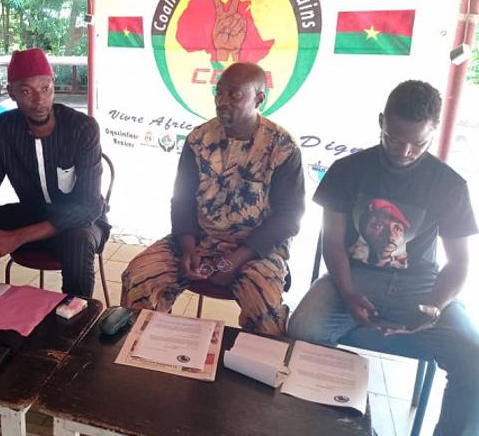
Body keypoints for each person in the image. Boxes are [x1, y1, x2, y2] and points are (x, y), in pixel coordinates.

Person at [288, 80, 479, 436]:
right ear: (381, 121)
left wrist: (433, 306)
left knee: (474, 358)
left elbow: (460, 264)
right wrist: (348, 293)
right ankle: (329, 425)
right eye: (394, 139)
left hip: (420, 287)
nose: (404, 151)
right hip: (352, 276)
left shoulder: (449, 184)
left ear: (434, 131)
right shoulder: (347, 170)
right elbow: (333, 243)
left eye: (418, 143)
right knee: (302, 330)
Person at [121, 62, 305, 335]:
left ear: (259, 98)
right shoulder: (198, 139)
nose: (222, 101)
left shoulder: (282, 147)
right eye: (219, 93)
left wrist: (236, 259)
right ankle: (145, 352)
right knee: (138, 276)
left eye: (235, 94)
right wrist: (188, 249)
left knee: (266, 311)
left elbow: (289, 218)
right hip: (200, 240)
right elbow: (182, 200)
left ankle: (247, 364)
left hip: (255, 249)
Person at [0, 48, 109, 297]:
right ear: (11, 92)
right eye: (26, 91)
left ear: (53, 85)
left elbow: (89, 207)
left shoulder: (81, 128)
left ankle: (76, 317)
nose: (39, 100)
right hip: (32, 213)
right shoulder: (4, 129)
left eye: (45, 88)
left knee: (77, 245)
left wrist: (17, 237)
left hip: (81, 222)